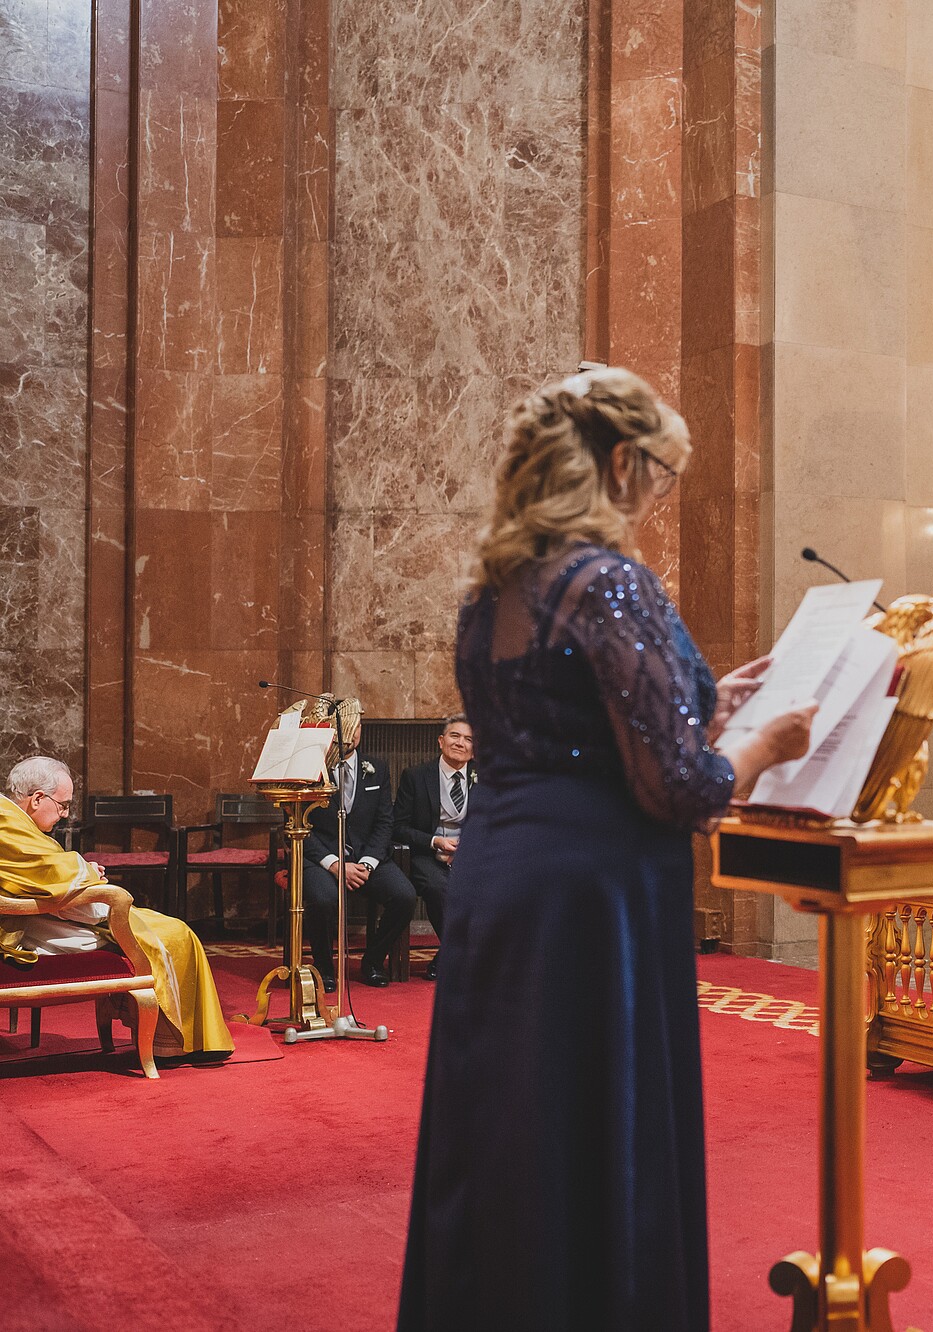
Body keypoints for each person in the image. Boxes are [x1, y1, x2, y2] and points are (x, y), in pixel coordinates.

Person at [398, 367, 814, 1331]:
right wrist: (758, 743)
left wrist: (705, 704)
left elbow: (563, 725)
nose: (660, 498)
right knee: (590, 1128)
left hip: (506, 878)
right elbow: (680, 786)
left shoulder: (495, 591)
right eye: (663, 475)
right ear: (622, 461)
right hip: (597, 897)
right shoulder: (608, 580)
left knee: (508, 1123)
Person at [0, 756, 233, 1059]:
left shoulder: (13, 818)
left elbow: (43, 869)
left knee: (168, 929)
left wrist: (82, 871)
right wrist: (89, 875)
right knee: (175, 934)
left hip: (45, 914)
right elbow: (47, 872)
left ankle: (180, 1036)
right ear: (38, 798)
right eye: (63, 805)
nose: (66, 814)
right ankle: (175, 1044)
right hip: (29, 927)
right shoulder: (7, 823)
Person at [303, 706, 419, 989]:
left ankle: (373, 960)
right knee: (323, 899)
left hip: (366, 857)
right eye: (343, 727)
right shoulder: (308, 767)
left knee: (405, 896)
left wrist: (367, 863)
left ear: (360, 731)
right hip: (321, 858)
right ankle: (324, 968)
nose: (349, 734)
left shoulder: (377, 769)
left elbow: (384, 823)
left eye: (354, 727)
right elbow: (299, 826)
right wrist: (333, 863)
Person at [393, 715, 475, 981]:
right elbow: (399, 827)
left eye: (468, 739)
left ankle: (449, 956)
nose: (460, 743)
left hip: (471, 855)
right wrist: (436, 842)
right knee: (442, 889)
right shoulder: (416, 776)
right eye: (454, 736)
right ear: (441, 741)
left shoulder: (485, 780)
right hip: (427, 854)